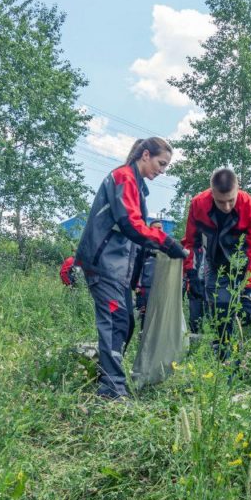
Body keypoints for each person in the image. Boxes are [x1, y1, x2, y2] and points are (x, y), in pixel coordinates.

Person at [75, 137, 188, 400]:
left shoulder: (136, 186)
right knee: (116, 323)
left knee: (125, 324)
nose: (162, 170)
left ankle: (108, 378)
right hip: (104, 264)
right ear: (145, 155)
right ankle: (112, 390)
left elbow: (133, 234)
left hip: (119, 269)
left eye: (166, 166)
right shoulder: (124, 178)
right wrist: (166, 242)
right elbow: (131, 225)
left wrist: (154, 245)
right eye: (161, 163)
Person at [182, 167, 251, 357]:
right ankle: (223, 357)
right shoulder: (198, 204)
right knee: (220, 307)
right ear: (211, 191)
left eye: (231, 200)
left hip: (248, 263)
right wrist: (190, 274)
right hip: (216, 263)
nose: (227, 206)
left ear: (238, 188)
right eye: (221, 201)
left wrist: (249, 290)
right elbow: (191, 242)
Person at [134, 219, 163, 328]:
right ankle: (143, 338)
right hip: (147, 286)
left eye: (160, 228)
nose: (158, 230)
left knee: (159, 313)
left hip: (161, 285)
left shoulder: (166, 246)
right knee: (145, 313)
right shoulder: (144, 245)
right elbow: (138, 267)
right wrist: (138, 284)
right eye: (156, 228)